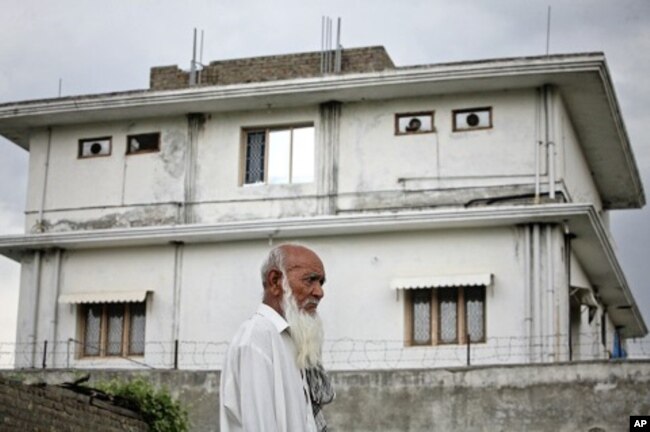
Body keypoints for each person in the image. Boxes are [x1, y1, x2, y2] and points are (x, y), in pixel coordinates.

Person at [220, 244, 335, 432]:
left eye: (321, 283)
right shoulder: (257, 338)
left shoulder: (291, 338)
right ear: (275, 282)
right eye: (310, 280)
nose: (319, 292)